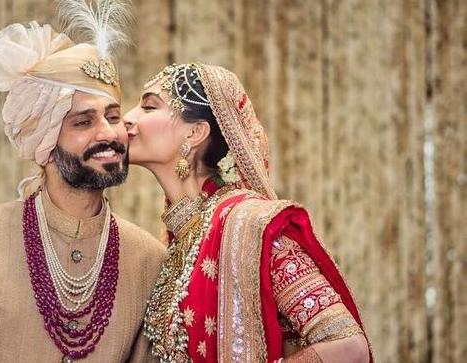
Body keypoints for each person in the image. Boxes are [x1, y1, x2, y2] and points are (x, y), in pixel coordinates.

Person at [0, 3, 166, 362]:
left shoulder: (148, 259)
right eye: (82, 122)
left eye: (112, 116)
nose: (108, 133)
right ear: (45, 143)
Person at [123, 63, 372, 363]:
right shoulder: (178, 243)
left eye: (149, 106)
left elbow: (347, 346)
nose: (127, 117)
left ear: (195, 132)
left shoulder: (248, 226)